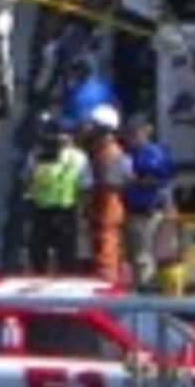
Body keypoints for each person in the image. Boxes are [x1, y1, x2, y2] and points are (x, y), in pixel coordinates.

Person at [24, 118, 89, 274]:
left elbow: (28, 179)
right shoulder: (77, 157)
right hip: (57, 209)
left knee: (47, 254)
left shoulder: (37, 154)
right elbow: (85, 186)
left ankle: (47, 278)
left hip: (53, 210)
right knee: (57, 254)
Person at [120, 113, 177, 289]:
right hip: (135, 210)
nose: (131, 136)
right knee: (136, 256)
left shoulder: (153, 153)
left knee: (143, 257)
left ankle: (146, 293)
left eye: (135, 131)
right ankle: (143, 288)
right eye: (129, 132)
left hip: (147, 211)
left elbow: (160, 180)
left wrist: (136, 180)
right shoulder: (130, 153)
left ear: (147, 131)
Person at [84, 104, 133, 281]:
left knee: (107, 241)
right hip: (100, 204)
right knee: (100, 241)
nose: (89, 129)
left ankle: (108, 279)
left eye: (94, 125)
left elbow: (116, 182)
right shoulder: (99, 150)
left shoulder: (112, 152)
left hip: (108, 205)